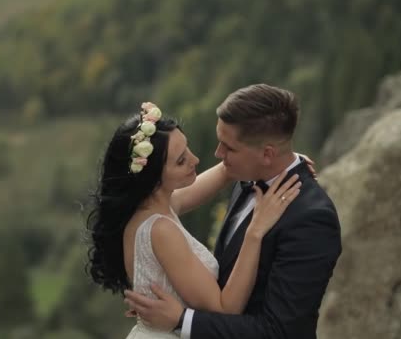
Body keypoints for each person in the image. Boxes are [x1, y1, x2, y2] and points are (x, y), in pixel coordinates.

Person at [124, 84, 342, 339]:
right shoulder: (246, 176)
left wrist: (182, 320)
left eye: (229, 148)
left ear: (267, 153)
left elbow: (280, 332)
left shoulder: (312, 219)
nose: (218, 154)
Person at [86, 101, 304, 338]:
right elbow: (225, 308)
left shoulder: (152, 208)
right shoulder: (160, 230)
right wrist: (256, 230)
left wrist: (285, 159)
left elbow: (225, 171)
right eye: (181, 161)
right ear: (153, 178)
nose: (195, 160)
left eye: (187, 148)